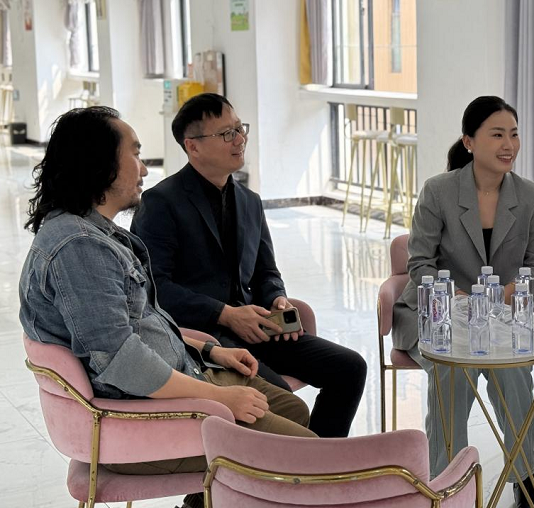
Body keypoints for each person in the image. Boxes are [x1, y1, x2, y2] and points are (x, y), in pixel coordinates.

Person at [19, 107, 315, 508]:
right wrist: (218, 398)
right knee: (305, 455)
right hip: (142, 416)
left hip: (178, 379)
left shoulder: (95, 233)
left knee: (293, 409)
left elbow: (144, 322)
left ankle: (200, 507)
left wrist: (211, 351)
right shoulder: (79, 248)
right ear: (100, 163)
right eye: (135, 154)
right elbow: (121, 362)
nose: (144, 168)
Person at [131, 93, 366, 439]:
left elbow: (266, 273)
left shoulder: (249, 201)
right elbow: (154, 289)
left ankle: (317, 462)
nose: (239, 139)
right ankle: (301, 461)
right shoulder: (161, 202)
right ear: (192, 146)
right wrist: (225, 314)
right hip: (204, 338)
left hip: (257, 329)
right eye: (226, 134)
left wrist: (277, 299)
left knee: (349, 368)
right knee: (281, 403)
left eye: (240, 129)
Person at [391, 96, 534, 508]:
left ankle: (523, 477)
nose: (508, 144)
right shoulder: (439, 191)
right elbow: (419, 264)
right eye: (497, 134)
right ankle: (445, 486)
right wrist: (459, 299)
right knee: (451, 373)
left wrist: (499, 297)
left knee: (515, 376)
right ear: (469, 142)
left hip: (500, 316)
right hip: (437, 314)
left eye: (513, 134)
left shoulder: (529, 195)